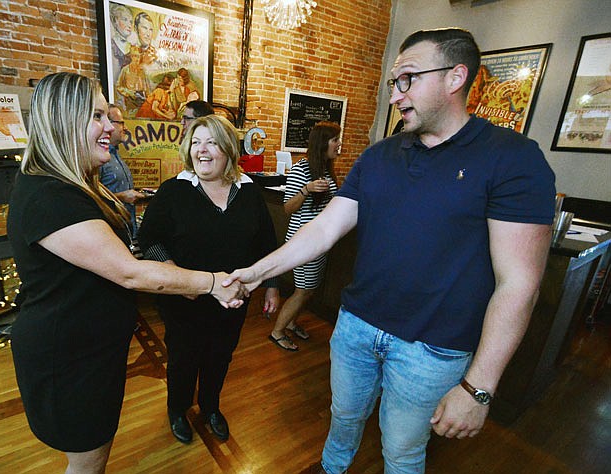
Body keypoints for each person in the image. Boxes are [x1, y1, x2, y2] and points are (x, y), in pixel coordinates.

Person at [224, 28, 555, 473]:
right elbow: (322, 230)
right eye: (393, 83)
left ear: (456, 77)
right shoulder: (379, 156)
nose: (397, 95)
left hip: (432, 349)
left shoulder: (512, 159)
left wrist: (478, 388)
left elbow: (520, 284)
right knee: (343, 417)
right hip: (356, 327)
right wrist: (257, 271)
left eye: (408, 79)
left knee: (401, 449)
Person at [6, 72, 246, 473]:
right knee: (87, 464)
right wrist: (209, 283)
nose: (111, 127)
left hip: (91, 352)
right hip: (68, 359)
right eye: (98, 116)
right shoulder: (50, 194)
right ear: (64, 120)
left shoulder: (71, 185)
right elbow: (130, 273)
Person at [138, 114, 280, 445]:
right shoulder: (174, 190)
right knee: (183, 360)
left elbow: (266, 243)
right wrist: (176, 275)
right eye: (196, 142)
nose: (202, 150)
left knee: (220, 356)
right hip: (185, 301)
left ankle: (211, 407)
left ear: (229, 148)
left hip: (232, 302)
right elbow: (150, 239)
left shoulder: (249, 192)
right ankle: (178, 409)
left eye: (212, 142)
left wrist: (272, 285)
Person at [268, 121, 341, 352]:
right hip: (303, 239)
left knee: (310, 288)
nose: (340, 144)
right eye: (335, 140)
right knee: (304, 290)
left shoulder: (327, 168)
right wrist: (306, 190)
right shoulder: (302, 169)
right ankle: (277, 331)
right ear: (323, 143)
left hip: (318, 240)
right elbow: (288, 208)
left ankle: (289, 323)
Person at [99, 104, 144, 236]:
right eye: (121, 123)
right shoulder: (99, 159)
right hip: (112, 233)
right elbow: (92, 199)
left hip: (128, 231)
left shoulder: (116, 156)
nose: (126, 128)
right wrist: (122, 197)